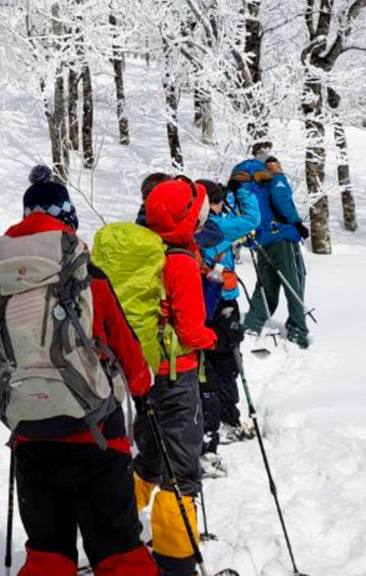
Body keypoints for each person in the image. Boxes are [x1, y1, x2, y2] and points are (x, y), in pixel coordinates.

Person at [1, 167, 160, 576]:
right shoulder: (88, 276)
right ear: (68, 222)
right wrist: (142, 385)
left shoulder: (5, 282)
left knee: (48, 555)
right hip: (96, 437)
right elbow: (127, 349)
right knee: (119, 553)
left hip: (30, 434)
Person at [132, 177, 243, 576]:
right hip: (175, 376)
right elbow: (192, 331)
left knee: (146, 456)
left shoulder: (145, 251)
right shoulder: (178, 260)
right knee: (182, 468)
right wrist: (220, 337)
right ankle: (177, 562)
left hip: (141, 372)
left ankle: (122, 533)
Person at [195, 180, 260, 461]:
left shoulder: (190, 228)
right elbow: (252, 220)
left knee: (205, 363)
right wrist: (243, 189)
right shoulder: (217, 227)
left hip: (196, 302)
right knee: (226, 360)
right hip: (221, 300)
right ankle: (228, 420)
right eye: (219, 200)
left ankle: (211, 419)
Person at [233, 155, 311, 349]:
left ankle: (252, 326)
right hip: (281, 237)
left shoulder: (242, 187)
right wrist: (296, 223)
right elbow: (282, 201)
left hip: (261, 240)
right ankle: (298, 331)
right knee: (294, 283)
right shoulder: (270, 182)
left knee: (266, 287)